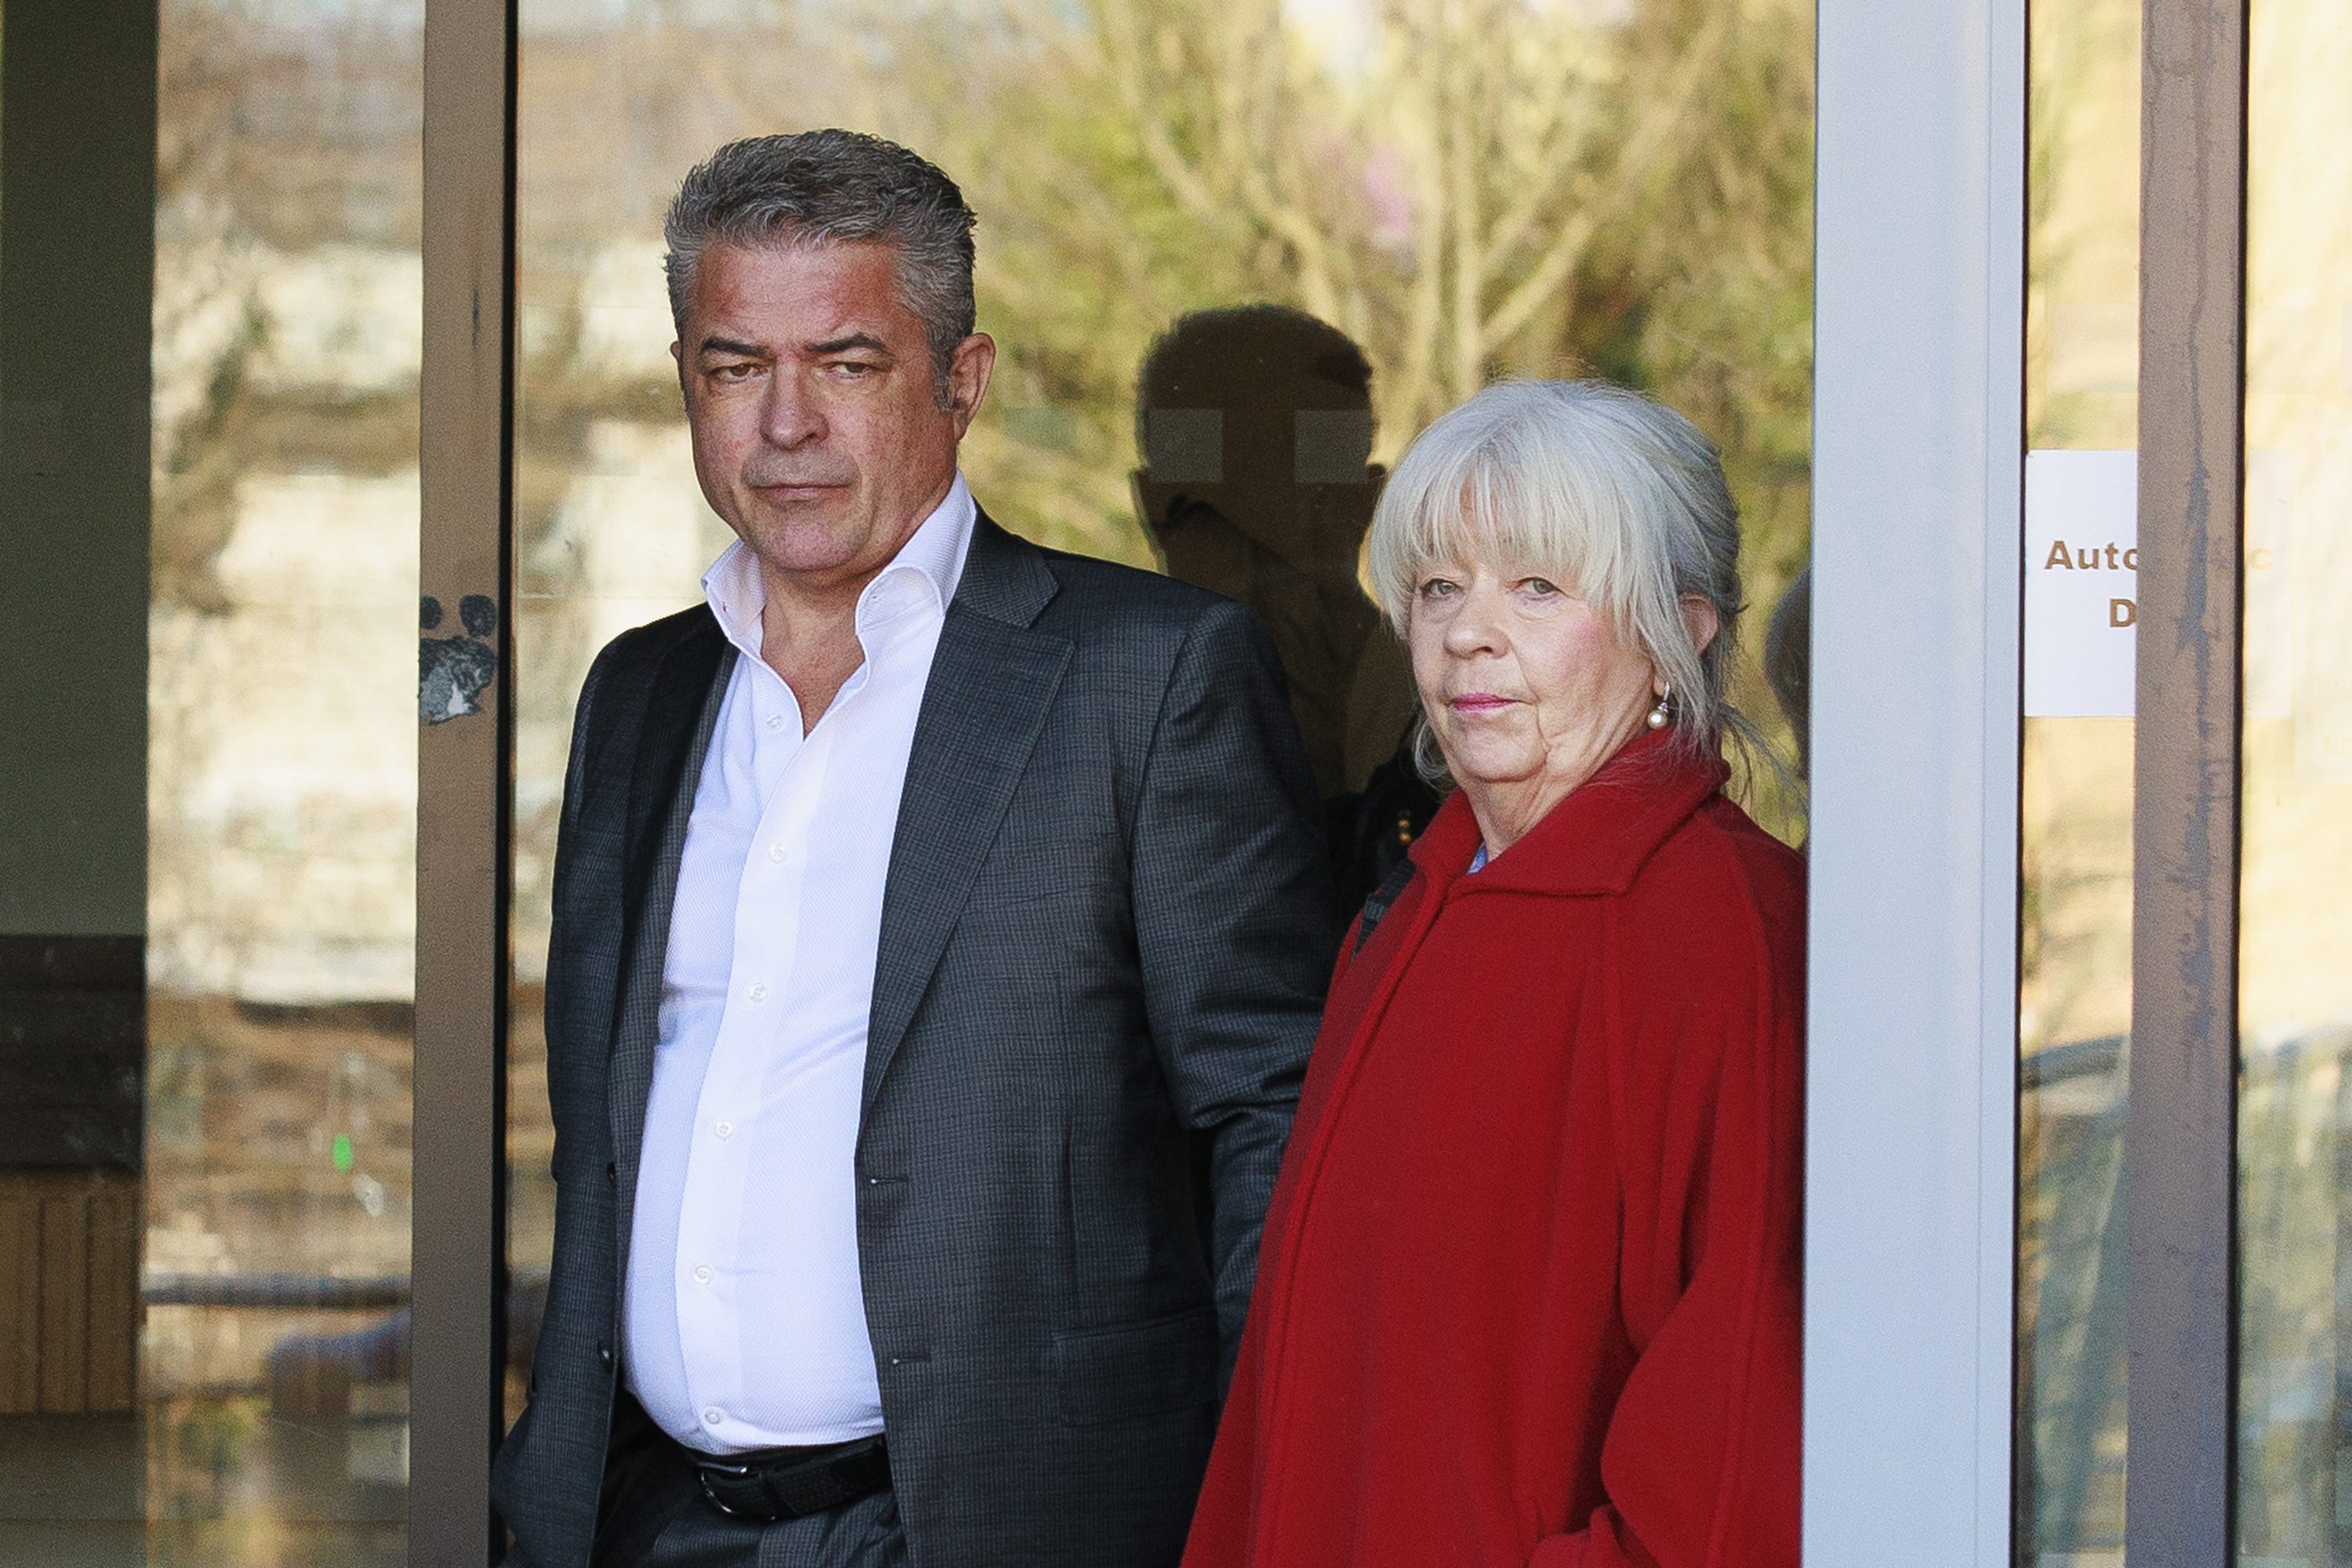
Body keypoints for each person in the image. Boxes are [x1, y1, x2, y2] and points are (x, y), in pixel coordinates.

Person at [490, 130, 1337, 1568]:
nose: (786, 425)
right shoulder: (642, 693)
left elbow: (1273, 1125)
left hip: (998, 1523)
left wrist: (1245, 1506)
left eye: (849, 362)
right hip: (651, 1520)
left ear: (965, 377)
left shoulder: (1149, 680)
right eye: (735, 367)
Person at [1181, 379, 1804, 1568]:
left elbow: (1735, 1460)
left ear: (1678, 631)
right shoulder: (1418, 904)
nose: (1467, 631)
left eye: (1538, 586)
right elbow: (1291, 1394)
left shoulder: (1719, 929)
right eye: (1437, 587)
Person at [1130, 306, 1437, 911]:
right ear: (1159, 508)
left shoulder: (1429, 694)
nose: (1259, 567)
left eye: (1313, 474)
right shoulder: (1112, 701)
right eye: (1214, 515)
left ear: (1362, 498)